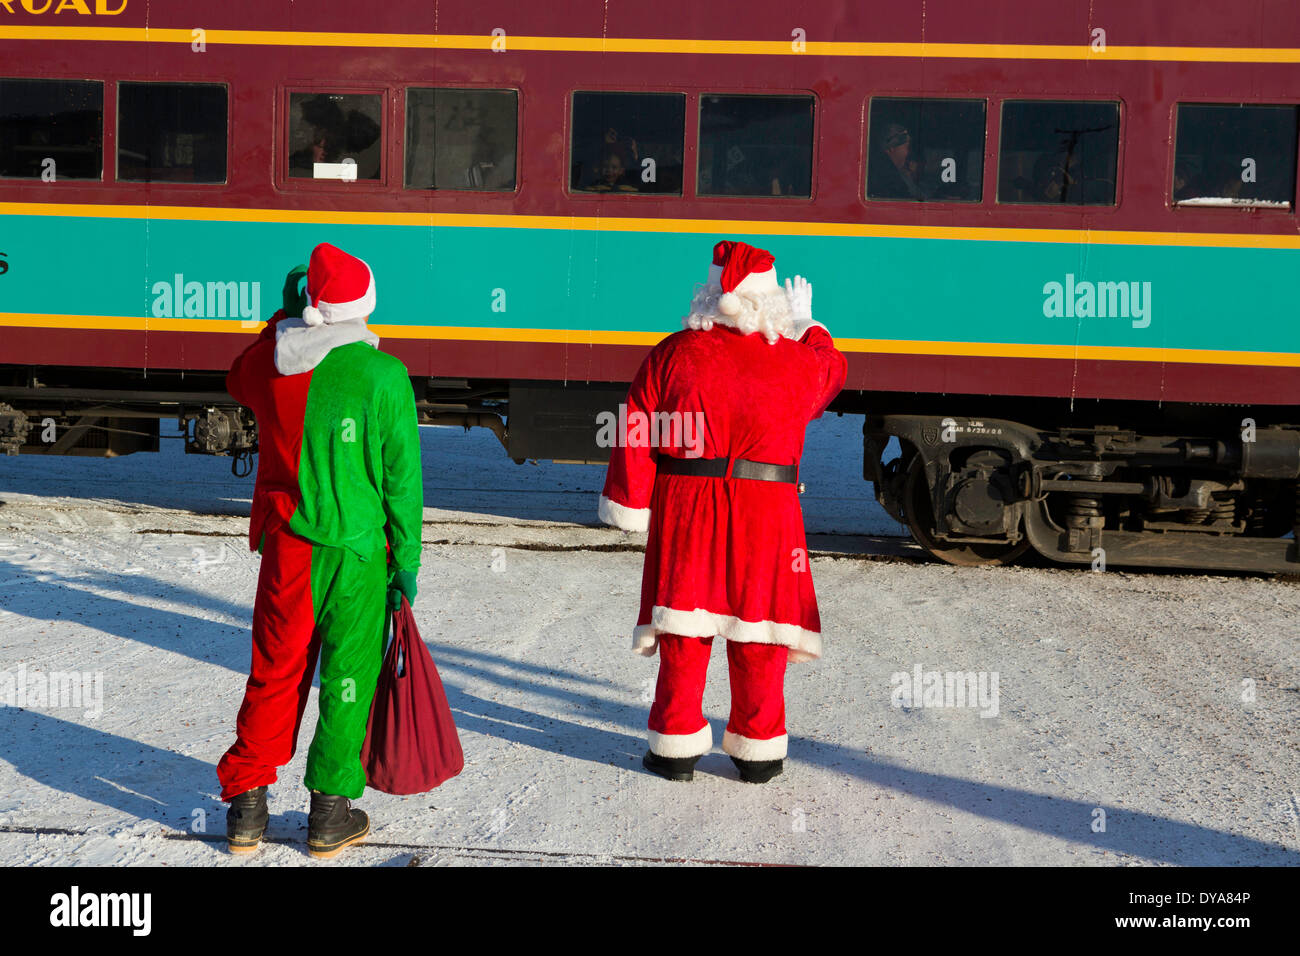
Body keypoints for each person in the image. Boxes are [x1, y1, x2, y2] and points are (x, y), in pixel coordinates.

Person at [597, 240, 847, 784]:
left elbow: (636, 427)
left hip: (689, 506)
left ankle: (674, 748)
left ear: (710, 295)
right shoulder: (798, 360)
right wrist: (811, 327)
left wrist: (632, 502)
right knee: (760, 629)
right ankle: (759, 753)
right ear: (771, 300)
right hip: (769, 512)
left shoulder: (675, 352)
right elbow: (831, 373)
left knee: (685, 627)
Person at [218, 243, 423, 858]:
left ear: (310, 306)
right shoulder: (385, 376)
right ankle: (330, 813)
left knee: (275, 670)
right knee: (348, 678)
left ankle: (247, 806)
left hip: (289, 550)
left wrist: (279, 321)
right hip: (358, 556)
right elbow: (402, 483)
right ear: (364, 306)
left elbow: (236, 376)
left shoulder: (276, 365)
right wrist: (406, 565)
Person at [869, 122, 926, 200]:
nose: (910, 152)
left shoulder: (902, 174)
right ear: (890, 149)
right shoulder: (886, 180)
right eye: (908, 147)